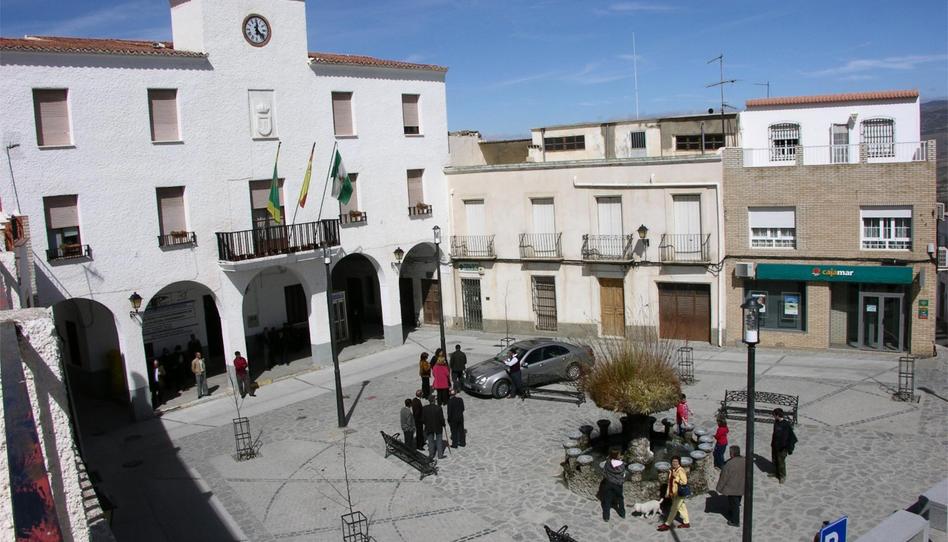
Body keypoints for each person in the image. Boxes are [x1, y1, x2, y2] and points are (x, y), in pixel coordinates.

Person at [657, 455, 690, 531]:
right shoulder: (672, 470)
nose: (674, 463)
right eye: (673, 461)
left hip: (679, 493)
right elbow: (670, 483)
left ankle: (667, 524)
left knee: (673, 509)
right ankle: (686, 523)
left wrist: (676, 478)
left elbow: (684, 482)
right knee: (682, 507)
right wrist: (668, 492)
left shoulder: (680, 470)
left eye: (676, 461)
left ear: (679, 462)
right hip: (674, 493)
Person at [715, 445, 745, 527]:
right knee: (737, 501)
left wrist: (719, 488)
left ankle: (735, 521)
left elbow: (723, 477)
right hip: (742, 485)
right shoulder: (745, 460)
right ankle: (733, 510)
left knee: (734, 505)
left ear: (732, 454)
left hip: (732, 488)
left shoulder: (729, 464)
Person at [770, 408, 797, 484]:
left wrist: (786, 447)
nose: (773, 417)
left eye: (774, 415)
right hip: (775, 445)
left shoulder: (786, 425)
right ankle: (776, 473)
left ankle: (782, 476)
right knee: (774, 460)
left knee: (781, 462)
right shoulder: (776, 422)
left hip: (782, 448)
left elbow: (789, 437)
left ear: (778, 415)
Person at [599, 449, 627, 521]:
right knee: (620, 499)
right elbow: (623, 475)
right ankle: (622, 514)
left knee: (607, 499)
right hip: (618, 485)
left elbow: (604, 472)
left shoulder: (607, 463)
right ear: (617, 456)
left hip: (608, 483)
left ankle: (606, 517)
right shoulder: (622, 465)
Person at [421, 395, 446, 460]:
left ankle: (431, 455)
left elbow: (423, 419)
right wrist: (443, 424)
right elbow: (441, 419)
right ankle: (440, 455)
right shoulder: (438, 408)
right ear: (434, 400)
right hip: (438, 427)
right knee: (439, 440)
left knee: (430, 441)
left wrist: (426, 424)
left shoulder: (425, 408)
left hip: (429, 427)